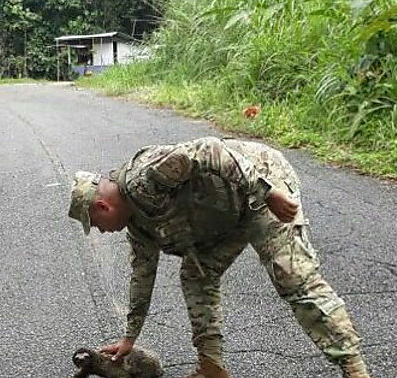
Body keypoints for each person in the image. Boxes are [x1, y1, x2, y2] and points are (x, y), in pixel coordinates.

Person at [68, 137, 370, 378]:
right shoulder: (137, 227)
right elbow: (142, 278)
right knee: (196, 274)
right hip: (227, 216)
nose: (101, 231)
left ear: (102, 206)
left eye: (94, 224)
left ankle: (354, 369)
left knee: (291, 274)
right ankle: (212, 368)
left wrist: (267, 192)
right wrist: (129, 339)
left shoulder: (144, 177)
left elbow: (210, 150)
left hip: (261, 184)